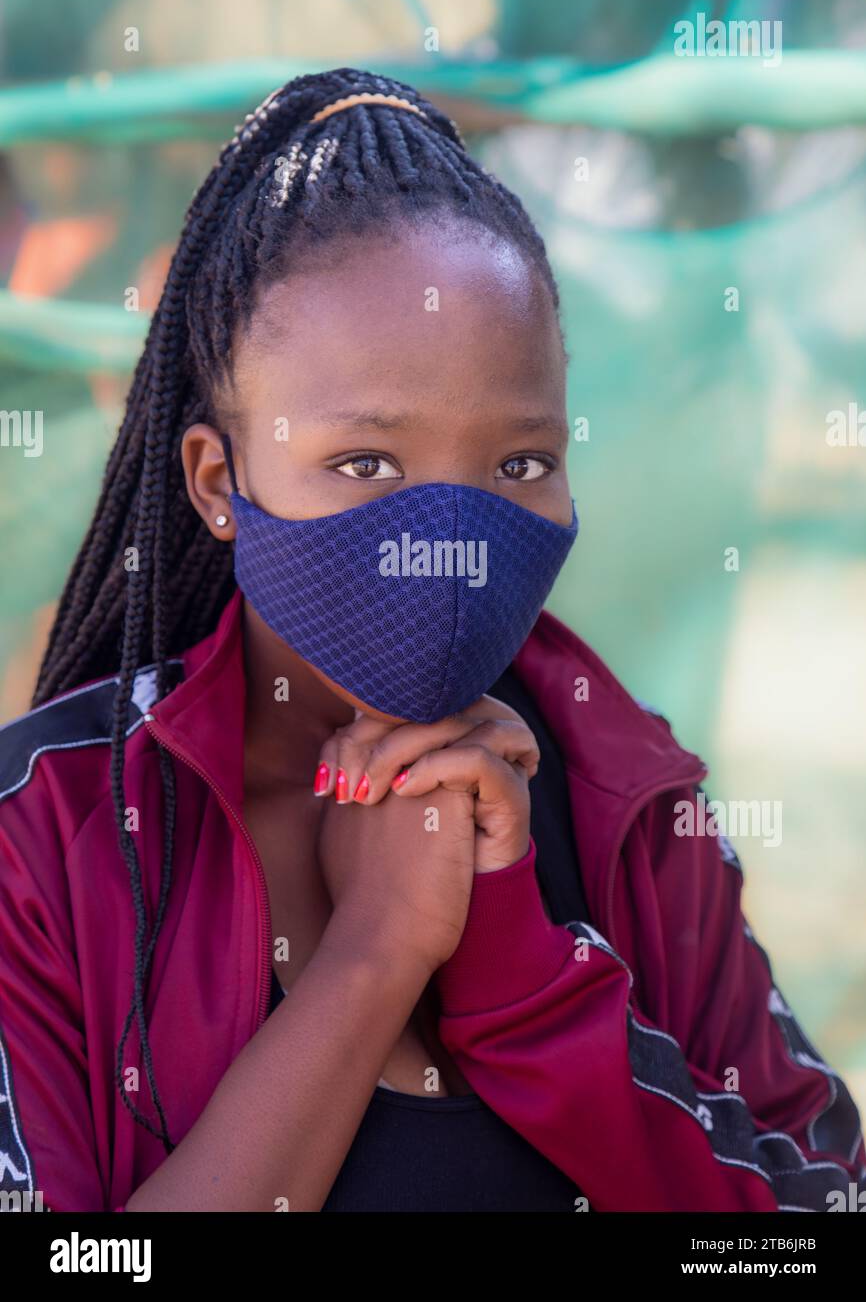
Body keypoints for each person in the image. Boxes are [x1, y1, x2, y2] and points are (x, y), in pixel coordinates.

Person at [1, 69, 863, 1214]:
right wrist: (373, 960)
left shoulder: (627, 804)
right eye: (365, 464)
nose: (449, 548)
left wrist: (525, 975)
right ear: (220, 480)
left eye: (518, 465)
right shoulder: (44, 839)